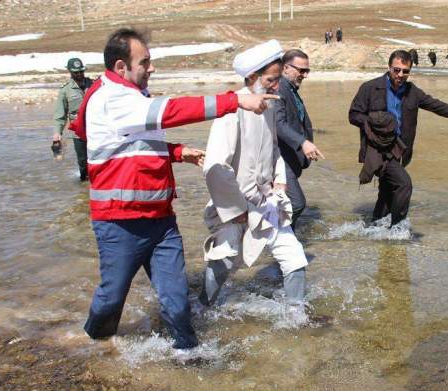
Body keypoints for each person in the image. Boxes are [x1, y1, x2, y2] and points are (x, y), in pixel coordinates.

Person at [72, 28, 276, 349]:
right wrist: (235, 100)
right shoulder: (112, 99)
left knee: (177, 300)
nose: (151, 68)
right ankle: (92, 345)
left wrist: (178, 153)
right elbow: (172, 112)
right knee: (112, 300)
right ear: (121, 67)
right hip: (119, 224)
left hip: (160, 221)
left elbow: (134, 145)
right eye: (145, 62)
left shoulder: (133, 99)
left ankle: (188, 355)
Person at [201, 40, 309, 307]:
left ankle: (297, 316)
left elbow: (274, 149)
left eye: (277, 79)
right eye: (271, 80)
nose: (276, 86)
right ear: (252, 77)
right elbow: (215, 165)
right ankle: (202, 310)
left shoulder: (270, 105)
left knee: (294, 256)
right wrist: (234, 209)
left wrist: (281, 180)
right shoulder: (230, 110)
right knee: (226, 260)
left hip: (266, 201)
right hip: (235, 205)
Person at [349, 50, 448, 227]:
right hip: (378, 149)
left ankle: (374, 228)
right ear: (389, 67)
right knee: (404, 184)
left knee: (387, 192)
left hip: (399, 148)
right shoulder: (370, 88)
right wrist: (374, 123)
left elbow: (436, 105)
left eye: (405, 71)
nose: (401, 75)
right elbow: (354, 115)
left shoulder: (412, 92)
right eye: (397, 70)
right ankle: (397, 229)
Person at [275, 49, 324, 230]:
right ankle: (278, 239)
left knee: (287, 205)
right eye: (301, 70)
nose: (304, 75)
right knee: (296, 204)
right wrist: (303, 142)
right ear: (286, 68)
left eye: (307, 71)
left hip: (291, 158)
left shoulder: (290, 89)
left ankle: (286, 241)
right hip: (280, 159)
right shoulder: (280, 88)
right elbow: (278, 124)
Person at [53, 57, 93, 181]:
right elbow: (60, 115)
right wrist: (57, 133)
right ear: (70, 72)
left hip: (95, 128)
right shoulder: (65, 90)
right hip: (78, 132)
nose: (80, 74)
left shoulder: (93, 84)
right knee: (83, 161)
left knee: (98, 157)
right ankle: (84, 185)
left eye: (81, 71)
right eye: (76, 72)